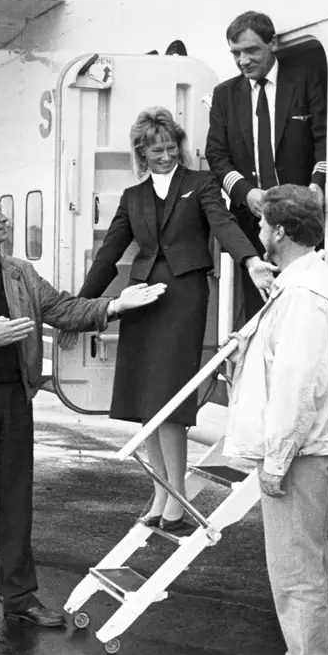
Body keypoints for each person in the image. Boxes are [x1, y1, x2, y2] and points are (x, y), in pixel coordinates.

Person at [0, 187, 167, 633]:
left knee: (17, 505)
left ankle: (20, 599)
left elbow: (63, 308)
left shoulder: (20, 273)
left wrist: (115, 305)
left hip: (14, 402)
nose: (5, 219)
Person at [72, 107, 275, 534]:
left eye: (170, 148)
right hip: (142, 299)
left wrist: (250, 260)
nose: (165, 157)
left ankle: (176, 499)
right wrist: (80, 307)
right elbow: (110, 253)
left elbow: (223, 225)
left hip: (183, 297)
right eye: (156, 151)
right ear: (141, 153)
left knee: (171, 398)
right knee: (147, 400)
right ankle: (161, 493)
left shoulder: (200, 184)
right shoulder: (132, 197)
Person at [220, 184, 328, 655]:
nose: (258, 230)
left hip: (301, 451)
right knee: (303, 561)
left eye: (262, 223)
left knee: (296, 568)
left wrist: (276, 461)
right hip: (306, 446)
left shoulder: (303, 295)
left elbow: (298, 388)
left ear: (279, 231)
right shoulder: (304, 283)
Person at [205, 10, 327, 324]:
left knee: (303, 308)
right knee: (260, 313)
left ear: (272, 43)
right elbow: (216, 155)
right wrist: (246, 193)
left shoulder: (305, 79)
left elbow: (324, 137)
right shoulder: (225, 95)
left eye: (251, 51)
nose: (243, 61)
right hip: (254, 225)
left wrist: (318, 182)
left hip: (301, 218)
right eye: (236, 53)